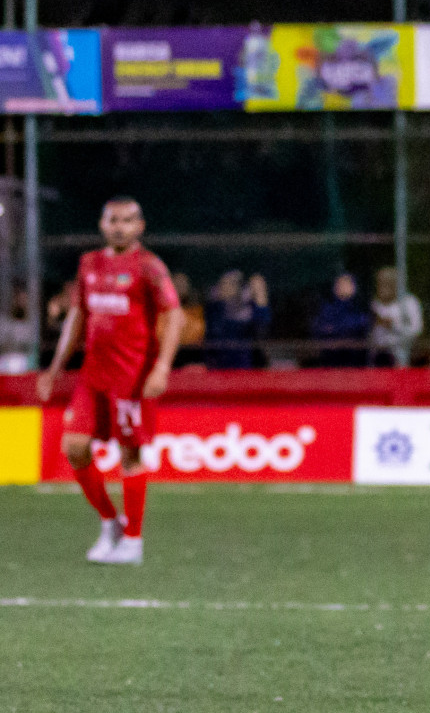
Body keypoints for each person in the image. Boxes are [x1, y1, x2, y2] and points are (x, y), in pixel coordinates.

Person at [34, 196, 184, 565]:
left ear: (140, 226)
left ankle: (133, 541)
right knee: (73, 447)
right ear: (102, 224)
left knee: (130, 455)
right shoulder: (89, 263)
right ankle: (109, 521)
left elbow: (175, 315)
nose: (119, 226)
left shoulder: (148, 266)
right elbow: (78, 316)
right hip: (92, 376)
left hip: (131, 377)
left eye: (127, 220)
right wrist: (55, 369)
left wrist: (162, 367)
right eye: (112, 220)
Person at [204, 270, 270, 370]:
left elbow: (262, 330)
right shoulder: (215, 308)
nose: (227, 287)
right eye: (224, 283)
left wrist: (260, 296)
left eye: (233, 283)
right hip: (218, 368)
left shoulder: (250, 309)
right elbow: (209, 338)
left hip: (247, 367)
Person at [311, 273, 371, 367]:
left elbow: (361, 326)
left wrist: (337, 330)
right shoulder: (327, 309)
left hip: (355, 360)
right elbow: (320, 329)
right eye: (341, 284)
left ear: (354, 287)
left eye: (348, 284)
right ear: (335, 288)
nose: (344, 287)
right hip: (330, 360)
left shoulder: (360, 308)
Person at [369, 266, 423, 368]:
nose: (383, 287)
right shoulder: (375, 304)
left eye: (387, 283)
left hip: (402, 357)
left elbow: (417, 330)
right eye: (381, 283)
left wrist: (393, 325)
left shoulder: (409, 302)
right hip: (377, 358)